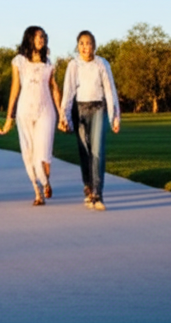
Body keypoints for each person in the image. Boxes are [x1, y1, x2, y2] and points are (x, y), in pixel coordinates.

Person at [60, 30, 121, 211]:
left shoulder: (102, 64)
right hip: (79, 110)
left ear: (94, 45)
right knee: (84, 152)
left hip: (98, 109)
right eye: (82, 43)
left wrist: (114, 117)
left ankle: (98, 194)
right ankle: (88, 187)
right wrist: (65, 116)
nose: (85, 47)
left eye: (88, 43)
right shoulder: (74, 65)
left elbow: (110, 91)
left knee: (97, 151)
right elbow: (69, 91)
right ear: (77, 46)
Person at [3, 26, 63, 205]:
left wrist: (61, 115)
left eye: (43, 36)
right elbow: (15, 88)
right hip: (25, 111)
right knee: (29, 153)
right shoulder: (19, 61)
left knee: (43, 153)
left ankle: (45, 182)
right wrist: (9, 116)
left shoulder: (49, 62)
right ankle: (38, 192)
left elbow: (54, 88)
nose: (41, 39)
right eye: (38, 36)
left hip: (46, 110)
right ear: (29, 38)